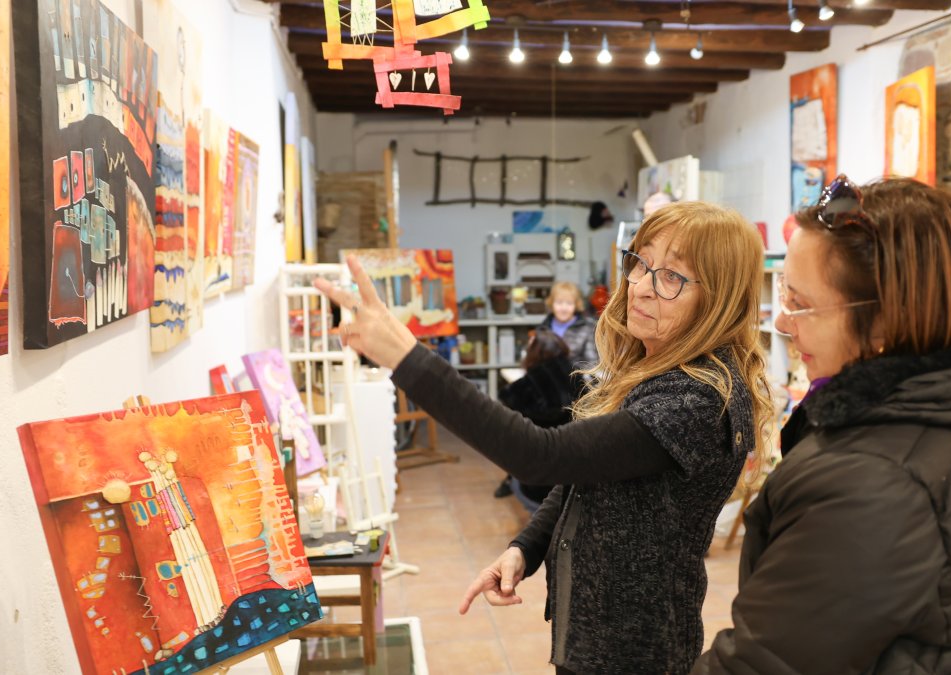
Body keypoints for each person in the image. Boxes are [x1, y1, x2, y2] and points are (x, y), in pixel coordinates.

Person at [315, 201, 772, 674]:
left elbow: (540, 455)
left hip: (633, 656)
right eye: (640, 263)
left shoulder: (696, 399)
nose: (640, 288)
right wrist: (526, 547)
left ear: (717, 299)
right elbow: (587, 477)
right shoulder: (656, 370)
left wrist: (405, 356)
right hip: (593, 636)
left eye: (672, 276)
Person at [691, 176, 951, 674]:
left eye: (801, 304)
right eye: (784, 297)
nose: (784, 323)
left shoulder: (869, 477)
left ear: (882, 323)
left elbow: (764, 663)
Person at [495, 327, 583, 508]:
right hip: (576, 474)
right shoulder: (577, 376)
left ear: (534, 353)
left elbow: (504, 397)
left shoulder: (525, 387)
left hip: (538, 479)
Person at [542, 281, 598, 371]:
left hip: (576, 381)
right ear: (552, 304)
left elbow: (592, 366)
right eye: (559, 303)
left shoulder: (587, 328)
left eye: (569, 303)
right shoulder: (544, 327)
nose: (564, 308)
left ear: (576, 305)